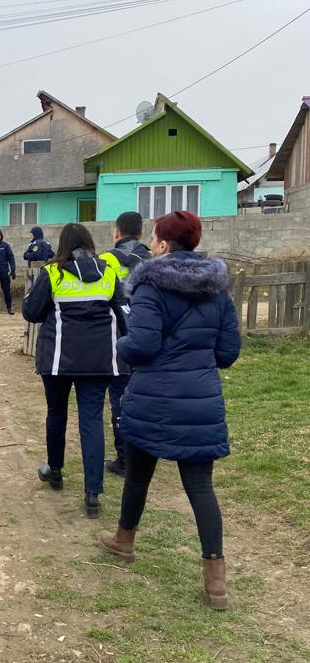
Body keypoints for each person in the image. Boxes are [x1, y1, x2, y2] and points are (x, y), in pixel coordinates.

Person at [98, 210, 241, 610]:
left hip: (151, 398)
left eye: (154, 238)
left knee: (138, 477)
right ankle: (215, 580)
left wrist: (120, 346)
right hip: (200, 401)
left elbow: (141, 346)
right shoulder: (218, 290)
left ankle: (124, 540)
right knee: (201, 487)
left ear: (162, 245)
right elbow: (227, 353)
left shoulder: (149, 285)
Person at [22, 223, 126, 518]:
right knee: (92, 420)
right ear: (90, 243)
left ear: (62, 245)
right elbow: (124, 312)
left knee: (56, 412)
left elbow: (31, 312)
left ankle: (55, 470)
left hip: (58, 359)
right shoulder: (109, 273)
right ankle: (92, 492)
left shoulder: (53, 273)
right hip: (99, 360)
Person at [99, 211, 151, 477]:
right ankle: (146, 450)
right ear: (141, 233)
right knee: (146, 397)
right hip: (148, 338)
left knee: (119, 398)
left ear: (116, 233)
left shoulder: (104, 261)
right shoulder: (153, 260)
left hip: (116, 339)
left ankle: (124, 458)